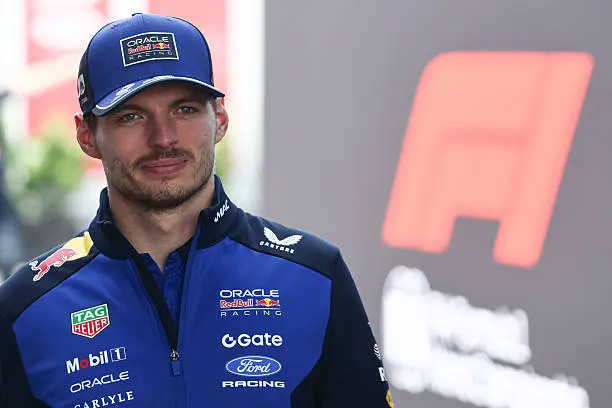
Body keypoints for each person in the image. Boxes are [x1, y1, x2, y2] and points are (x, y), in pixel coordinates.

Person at [0, 13, 394, 408]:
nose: (163, 138)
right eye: (131, 116)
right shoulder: (24, 309)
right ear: (87, 136)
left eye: (184, 110)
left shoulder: (314, 276)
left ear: (219, 118)